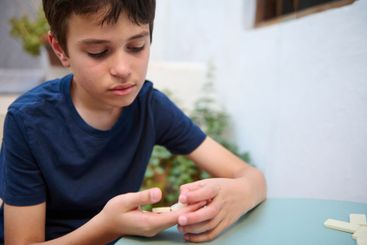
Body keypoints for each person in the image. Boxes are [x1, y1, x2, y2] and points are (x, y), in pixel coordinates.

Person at [0, 0, 266, 244]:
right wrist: (108, 226)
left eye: (137, 46)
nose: (123, 68)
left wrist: (240, 194)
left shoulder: (150, 107)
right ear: (60, 48)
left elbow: (251, 177)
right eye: (98, 51)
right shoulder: (28, 121)